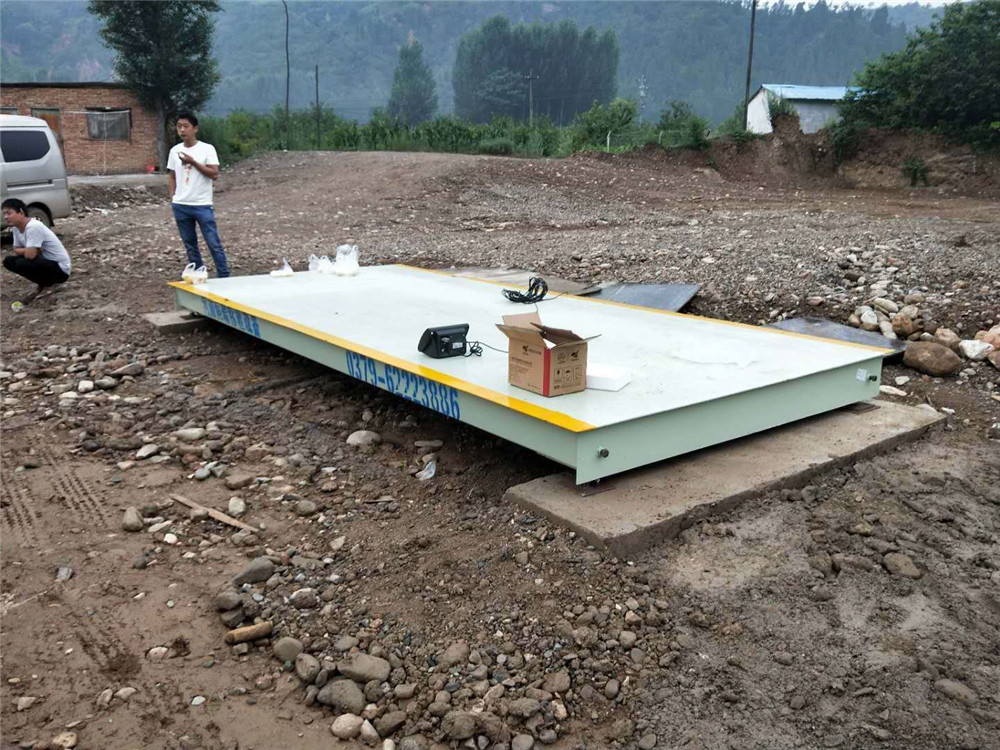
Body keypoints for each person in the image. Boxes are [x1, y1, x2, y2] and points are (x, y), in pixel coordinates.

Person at [167, 111, 230, 277]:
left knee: (213, 243)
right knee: (190, 244)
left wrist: (193, 162)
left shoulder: (207, 149)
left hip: (202, 204)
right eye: (179, 126)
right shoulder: (174, 151)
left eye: (185, 126)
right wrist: (173, 197)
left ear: (195, 128)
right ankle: (198, 273)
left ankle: (224, 276)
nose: (182, 130)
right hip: (181, 205)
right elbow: (172, 175)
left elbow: (214, 174)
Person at [2, 198, 72, 303]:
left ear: (21, 213)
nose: (6, 217)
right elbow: (16, 251)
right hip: (44, 262)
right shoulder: (16, 228)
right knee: (8, 261)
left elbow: (30, 256)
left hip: (60, 269)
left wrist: (30, 251)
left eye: (9, 213)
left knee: (22, 262)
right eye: (4, 214)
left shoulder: (33, 226)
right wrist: (33, 250)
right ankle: (44, 283)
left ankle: (53, 283)